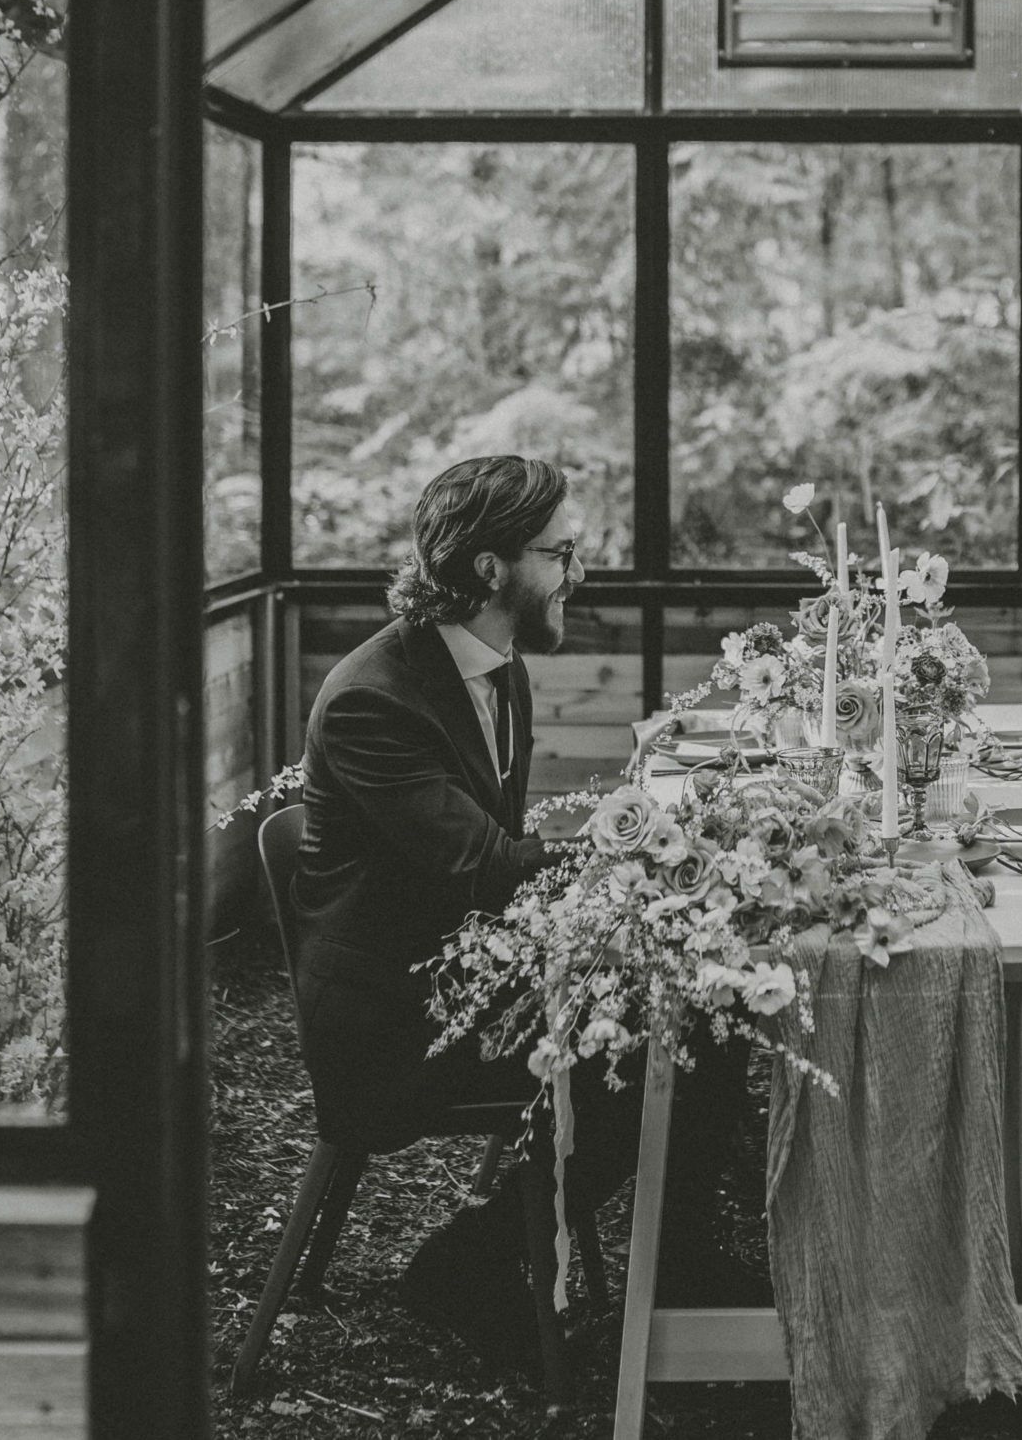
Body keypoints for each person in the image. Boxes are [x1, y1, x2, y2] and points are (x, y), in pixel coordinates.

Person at [290, 455, 751, 1378]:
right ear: (490, 569)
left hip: (470, 968)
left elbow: (496, 880)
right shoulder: (372, 701)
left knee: (708, 996)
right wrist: (655, 855)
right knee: (672, 1032)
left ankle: (687, 1267)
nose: (578, 571)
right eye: (562, 552)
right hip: (392, 1023)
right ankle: (466, 1263)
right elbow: (489, 867)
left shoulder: (496, 666)